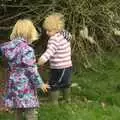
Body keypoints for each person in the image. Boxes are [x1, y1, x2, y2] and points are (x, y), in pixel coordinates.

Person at [0, 19, 49, 120]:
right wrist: (40, 84)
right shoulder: (27, 50)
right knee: (30, 111)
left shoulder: (8, 47)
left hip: (13, 82)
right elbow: (31, 70)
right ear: (30, 33)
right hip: (26, 84)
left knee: (17, 110)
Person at [38, 13, 72, 105]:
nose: (47, 32)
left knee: (54, 84)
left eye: (49, 31)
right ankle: (67, 99)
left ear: (57, 29)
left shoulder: (54, 39)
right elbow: (70, 38)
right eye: (46, 30)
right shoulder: (65, 34)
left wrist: (42, 59)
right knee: (66, 82)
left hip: (59, 67)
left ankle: (53, 102)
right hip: (68, 65)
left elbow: (50, 51)